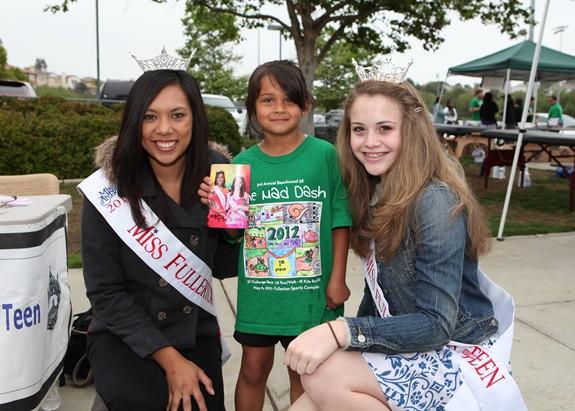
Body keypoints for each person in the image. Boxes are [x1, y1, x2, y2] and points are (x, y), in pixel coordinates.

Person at [284, 78, 526, 410]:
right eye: (359, 130)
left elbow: (437, 325)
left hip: (457, 356)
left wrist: (341, 332)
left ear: (411, 131)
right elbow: (378, 296)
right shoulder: (375, 192)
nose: (370, 142)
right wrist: (348, 340)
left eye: (385, 128)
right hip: (416, 348)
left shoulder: (435, 199)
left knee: (323, 376)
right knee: (307, 399)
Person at [80, 68, 239, 411]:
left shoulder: (218, 172)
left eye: (177, 115)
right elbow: (105, 293)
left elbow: (226, 268)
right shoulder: (108, 185)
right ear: (134, 122)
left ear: (195, 119)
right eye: (150, 117)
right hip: (126, 334)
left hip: (195, 330)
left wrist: (231, 227)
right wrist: (171, 361)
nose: (164, 129)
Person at [199, 60, 352, 411]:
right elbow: (235, 235)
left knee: (304, 373)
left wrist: (338, 278)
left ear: (305, 105)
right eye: (268, 100)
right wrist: (218, 207)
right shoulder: (240, 165)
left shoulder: (325, 155)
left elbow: (340, 218)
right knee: (253, 368)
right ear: (252, 108)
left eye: (289, 99)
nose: (279, 108)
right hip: (261, 298)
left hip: (311, 296)